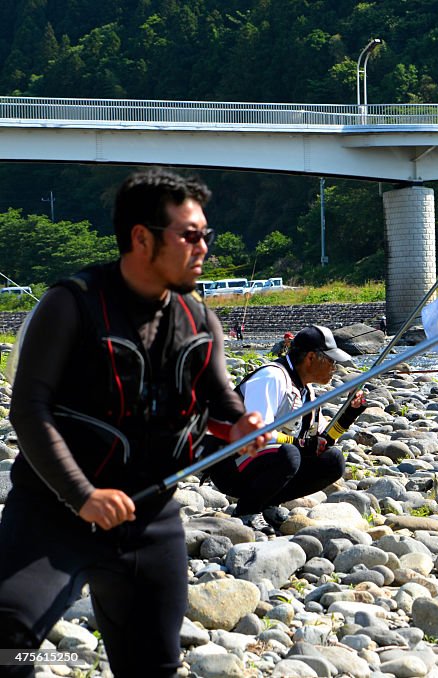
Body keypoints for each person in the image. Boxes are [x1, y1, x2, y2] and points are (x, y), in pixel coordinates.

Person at [0, 169, 268, 677]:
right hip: (54, 513)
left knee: (151, 667)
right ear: (142, 237)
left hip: (150, 520)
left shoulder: (199, 319)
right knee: (9, 647)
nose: (204, 247)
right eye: (190, 235)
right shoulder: (70, 305)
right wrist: (83, 496)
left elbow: (222, 405)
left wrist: (241, 428)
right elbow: (28, 410)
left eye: (205, 235)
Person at [206, 325, 366, 530]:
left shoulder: (306, 390)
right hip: (230, 465)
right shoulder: (271, 377)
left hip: (265, 461)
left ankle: (267, 503)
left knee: (332, 461)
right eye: (330, 360)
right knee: (290, 453)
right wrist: (300, 443)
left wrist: (349, 414)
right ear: (310, 358)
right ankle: (247, 511)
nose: (334, 367)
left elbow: (322, 441)